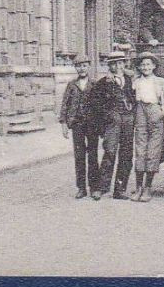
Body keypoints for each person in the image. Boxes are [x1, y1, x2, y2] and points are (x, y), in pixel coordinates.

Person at [88, 50, 136, 199]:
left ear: (124, 64)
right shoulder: (103, 83)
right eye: (115, 64)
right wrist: (105, 121)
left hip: (128, 120)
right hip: (112, 121)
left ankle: (120, 189)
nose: (118, 66)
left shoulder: (130, 80)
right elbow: (95, 105)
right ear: (110, 66)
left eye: (121, 63)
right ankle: (101, 187)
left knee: (127, 154)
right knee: (109, 152)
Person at [129, 53, 164, 202]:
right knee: (140, 151)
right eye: (143, 65)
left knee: (152, 152)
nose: (146, 67)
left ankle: (148, 188)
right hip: (140, 113)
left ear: (154, 66)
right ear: (139, 67)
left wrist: (162, 112)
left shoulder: (160, 82)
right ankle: (139, 188)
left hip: (155, 114)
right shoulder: (135, 82)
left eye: (148, 64)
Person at [58, 57, 98, 199]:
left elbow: (100, 105)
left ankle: (94, 188)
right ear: (76, 68)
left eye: (84, 65)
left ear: (88, 67)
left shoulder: (95, 83)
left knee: (93, 156)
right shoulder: (71, 85)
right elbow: (65, 105)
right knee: (79, 156)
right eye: (79, 66)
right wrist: (64, 124)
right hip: (77, 124)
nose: (82, 68)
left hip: (92, 124)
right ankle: (81, 188)